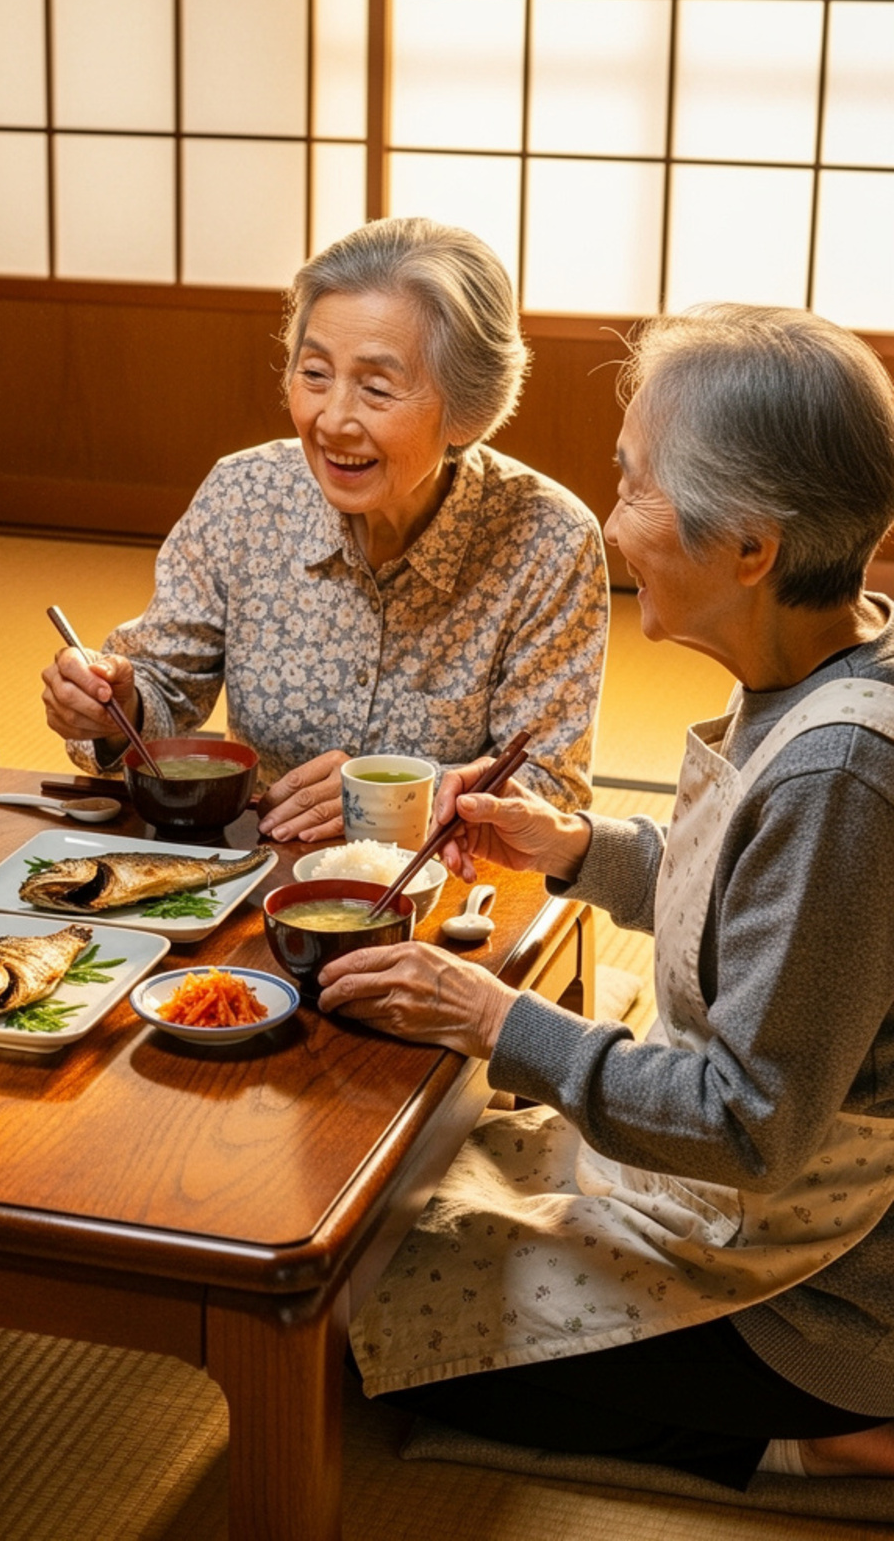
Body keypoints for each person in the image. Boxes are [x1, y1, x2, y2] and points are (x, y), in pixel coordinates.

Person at [324, 303, 894, 1488]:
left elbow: (749, 1121)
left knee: (358, 1321)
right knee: (414, 1217)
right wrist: (572, 846)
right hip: (741, 1204)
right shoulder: (829, 654)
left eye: (632, 486)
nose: (611, 519)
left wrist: (492, 1019)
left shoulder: (842, 771)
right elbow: (749, 902)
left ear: (750, 546)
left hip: (818, 1285)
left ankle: (833, 1438)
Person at [41, 218, 609, 842]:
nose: (332, 419)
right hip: (261, 867)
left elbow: (550, 785)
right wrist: (114, 705)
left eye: (376, 387)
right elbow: (166, 686)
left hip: (444, 888)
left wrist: (387, 796)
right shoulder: (245, 495)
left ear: (467, 407)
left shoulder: (547, 539)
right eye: (314, 374)